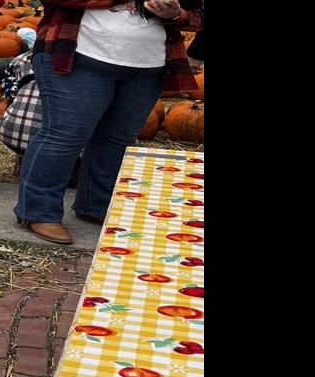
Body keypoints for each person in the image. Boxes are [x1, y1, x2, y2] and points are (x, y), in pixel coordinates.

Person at [13, 0, 202, 245]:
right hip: (79, 55)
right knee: (64, 135)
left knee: (117, 139)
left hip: (146, 66)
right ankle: (38, 211)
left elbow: (198, 16)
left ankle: (97, 205)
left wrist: (177, 14)